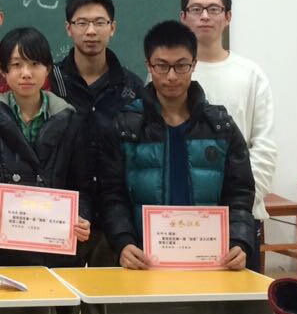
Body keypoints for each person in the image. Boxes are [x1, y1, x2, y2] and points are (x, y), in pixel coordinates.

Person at [100, 20, 255, 271]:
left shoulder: (220, 127)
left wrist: (239, 241)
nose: (171, 76)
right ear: (148, 65)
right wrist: (123, 242)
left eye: (181, 65)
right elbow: (111, 195)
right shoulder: (125, 128)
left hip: (209, 262)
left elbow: (240, 194)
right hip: (143, 261)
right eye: (162, 66)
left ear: (194, 65)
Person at [0, 27, 91, 267]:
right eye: (16, 65)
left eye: (34, 64)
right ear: (3, 71)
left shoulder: (71, 122)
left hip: (55, 252)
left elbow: (82, 188)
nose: (26, 73)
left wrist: (81, 217)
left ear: (48, 69)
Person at [179, 0, 276, 272]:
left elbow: (264, 146)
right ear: (183, 17)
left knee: (242, 297)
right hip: (183, 219)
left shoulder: (250, 74)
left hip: (240, 219)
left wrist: (242, 205)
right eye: (196, 9)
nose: (205, 16)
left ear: (228, 17)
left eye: (214, 9)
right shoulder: (169, 73)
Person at [51, 0, 142, 265]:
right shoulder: (51, 82)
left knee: (111, 291)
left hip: (118, 222)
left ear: (112, 27)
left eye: (99, 22)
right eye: (82, 23)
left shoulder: (132, 87)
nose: (91, 31)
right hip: (62, 220)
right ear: (69, 28)